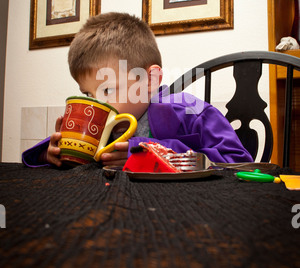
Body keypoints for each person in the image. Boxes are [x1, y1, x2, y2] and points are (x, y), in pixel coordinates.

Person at [22, 12, 253, 168]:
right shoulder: (101, 123)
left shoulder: (189, 111)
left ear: (149, 80)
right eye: (88, 95)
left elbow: (237, 161)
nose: (98, 104)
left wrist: (152, 153)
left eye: (108, 90)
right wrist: (51, 152)